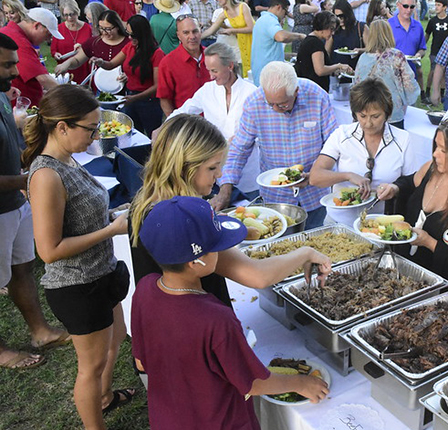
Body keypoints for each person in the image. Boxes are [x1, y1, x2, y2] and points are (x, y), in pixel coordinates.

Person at [132, 196, 329, 430]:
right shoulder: (216, 319)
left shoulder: (145, 288)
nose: (226, 250)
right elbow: (253, 382)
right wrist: (301, 383)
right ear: (197, 261)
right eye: (219, 246)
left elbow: (141, 363)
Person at [130, 114, 333, 306]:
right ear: (184, 167)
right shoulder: (186, 220)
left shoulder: (144, 203)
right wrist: (306, 253)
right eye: (212, 168)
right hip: (202, 322)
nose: (219, 175)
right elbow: (257, 275)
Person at [24, 85, 136, 430]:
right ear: (62, 127)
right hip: (77, 286)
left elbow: (80, 214)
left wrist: (114, 214)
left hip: (101, 273)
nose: (97, 135)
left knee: (115, 341)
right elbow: (49, 250)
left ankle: (105, 398)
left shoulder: (68, 159)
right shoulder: (46, 176)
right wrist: (111, 230)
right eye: (90, 128)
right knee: (90, 367)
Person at [0, 33, 70, 371]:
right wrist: (32, 179)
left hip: (15, 201)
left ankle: (39, 331)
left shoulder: (2, 94)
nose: (15, 71)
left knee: (21, 269)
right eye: (7, 65)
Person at [213, 62, 337, 228]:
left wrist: (315, 174)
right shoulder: (254, 103)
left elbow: (333, 144)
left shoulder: (317, 96)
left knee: (314, 241)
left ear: (296, 92)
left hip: (314, 193)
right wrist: (226, 187)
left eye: (283, 104)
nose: (276, 109)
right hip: (276, 197)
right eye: (270, 104)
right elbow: (239, 149)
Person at [377, 115, 448, 290]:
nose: (435, 153)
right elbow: (409, 183)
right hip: (403, 277)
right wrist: (394, 188)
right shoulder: (432, 169)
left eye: (444, 151)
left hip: (437, 292)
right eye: (436, 146)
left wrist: (429, 243)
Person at [310, 78, 419, 225]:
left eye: (375, 116)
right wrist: (348, 176)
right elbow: (315, 177)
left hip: (379, 225)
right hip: (339, 223)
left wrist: (395, 188)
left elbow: (413, 183)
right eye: (362, 116)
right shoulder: (342, 135)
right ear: (354, 114)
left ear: (387, 113)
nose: (368, 123)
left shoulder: (402, 139)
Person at [166, 42, 259, 197]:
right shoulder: (207, 90)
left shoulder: (252, 93)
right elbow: (183, 112)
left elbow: (265, 133)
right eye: (208, 70)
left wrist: (247, 139)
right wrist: (164, 128)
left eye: (214, 71)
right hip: (214, 174)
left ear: (229, 66)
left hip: (248, 176)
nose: (210, 76)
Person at [91, 15, 165, 136]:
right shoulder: (130, 47)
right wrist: (100, 62)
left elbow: (158, 86)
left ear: (142, 34)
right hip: (130, 98)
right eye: (128, 33)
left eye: (133, 35)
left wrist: (136, 98)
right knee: (129, 134)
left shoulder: (157, 54)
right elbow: (111, 65)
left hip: (149, 102)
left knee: (153, 135)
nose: (129, 38)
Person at [354, 19, 418, 128]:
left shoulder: (363, 58)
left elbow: (356, 84)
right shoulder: (397, 56)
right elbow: (409, 83)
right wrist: (407, 100)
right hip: (392, 110)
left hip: (369, 111)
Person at [54, 9, 130, 90]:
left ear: (117, 27)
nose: (104, 32)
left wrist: (129, 75)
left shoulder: (128, 43)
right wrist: (66, 64)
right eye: (101, 28)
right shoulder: (94, 42)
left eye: (108, 29)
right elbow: (77, 60)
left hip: (126, 89)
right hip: (101, 88)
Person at [0, 8, 61, 107]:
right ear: (37, 25)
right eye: (48, 35)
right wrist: (70, 94)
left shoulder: (13, 33)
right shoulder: (19, 40)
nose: (48, 40)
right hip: (18, 108)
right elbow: (43, 78)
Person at [156, 15, 210, 115]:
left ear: (200, 31)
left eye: (195, 31)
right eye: (186, 33)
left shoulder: (212, 56)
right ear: (178, 35)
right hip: (187, 124)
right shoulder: (168, 63)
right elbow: (165, 100)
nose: (192, 37)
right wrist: (176, 124)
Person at [250, 0, 305, 85]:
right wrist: (299, 36)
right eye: (285, 12)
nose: (285, 16)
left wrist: (289, 55)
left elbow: (268, 50)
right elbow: (281, 37)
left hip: (264, 72)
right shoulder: (269, 20)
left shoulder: (263, 19)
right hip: (268, 76)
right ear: (279, 7)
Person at [295, 11, 352, 92]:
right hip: (314, 90)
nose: (333, 33)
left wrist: (334, 71)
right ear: (323, 26)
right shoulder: (315, 43)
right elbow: (320, 70)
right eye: (331, 29)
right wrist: (338, 66)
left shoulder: (310, 40)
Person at [201, 0, 254, 78]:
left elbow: (251, 28)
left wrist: (232, 30)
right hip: (242, 44)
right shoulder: (225, 13)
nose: (217, 0)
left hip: (252, 42)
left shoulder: (243, 6)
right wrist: (197, 37)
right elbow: (211, 30)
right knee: (246, 73)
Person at [388, 0, 426, 103]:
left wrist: (418, 55)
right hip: (391, 76)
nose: (408, 10)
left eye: (412, 7)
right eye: (405, 6)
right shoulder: (388, 25)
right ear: (398, 5)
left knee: (410, 110)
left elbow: (423, 48)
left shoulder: (418, 26)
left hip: (410, 75)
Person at [51, 1, 93, 85]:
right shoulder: (59, 28)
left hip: (83, 68)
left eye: (72, 14)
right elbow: (53, 49)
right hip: (65, 70)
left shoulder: (87, 28)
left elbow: (92, 47)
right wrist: (56, 54)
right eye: (66, 15)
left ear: (77, 12)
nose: (69, 17)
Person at [424, 0, 448, 105]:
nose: (436, 7)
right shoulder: (432, 21)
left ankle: (442, 94)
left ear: (445, 7)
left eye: (438, 5)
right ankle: (427, 91)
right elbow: (427, 35)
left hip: (446, 52)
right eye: (435, 5)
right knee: (433, 71)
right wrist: (423, 46)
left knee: (443, 74)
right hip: (435, 51)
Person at [330, 0, 367, 83]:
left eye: (342, 16)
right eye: (336, 17)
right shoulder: (334, 30)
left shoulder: (360, 27)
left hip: (357, 74)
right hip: (337, 75)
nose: (339, 19)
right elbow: (326, 52)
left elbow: (371, 48)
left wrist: (360, 50)